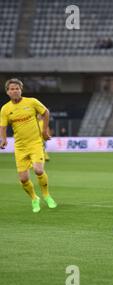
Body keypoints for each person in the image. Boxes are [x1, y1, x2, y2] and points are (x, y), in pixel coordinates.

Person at [0, 78, 58, 213]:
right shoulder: (5, 109)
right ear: (7, 92)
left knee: (38, 170)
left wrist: (44, 131)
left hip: (35, 143)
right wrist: (3, 139)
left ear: (21, 90)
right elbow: (2, 126)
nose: (14, 91)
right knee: (23, 178)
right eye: (12, 89)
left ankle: (46, 195)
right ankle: (34, 198)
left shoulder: (31, 102)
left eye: (17, 88)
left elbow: (46, 113)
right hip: (20, 147)